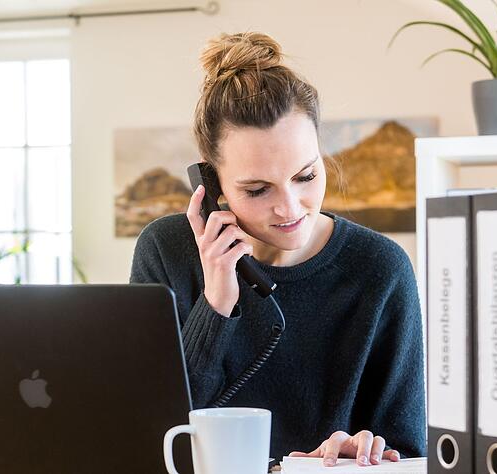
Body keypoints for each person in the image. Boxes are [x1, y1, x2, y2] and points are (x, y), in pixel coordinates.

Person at [130, 31, 425, 466]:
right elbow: (150, 433)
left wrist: (363, 451)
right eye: (256, 189)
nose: (290, 208)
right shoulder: (165, 250)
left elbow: (410, 450)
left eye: (306, 176)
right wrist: (216, 303)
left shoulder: (379, 269)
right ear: (212, 185)